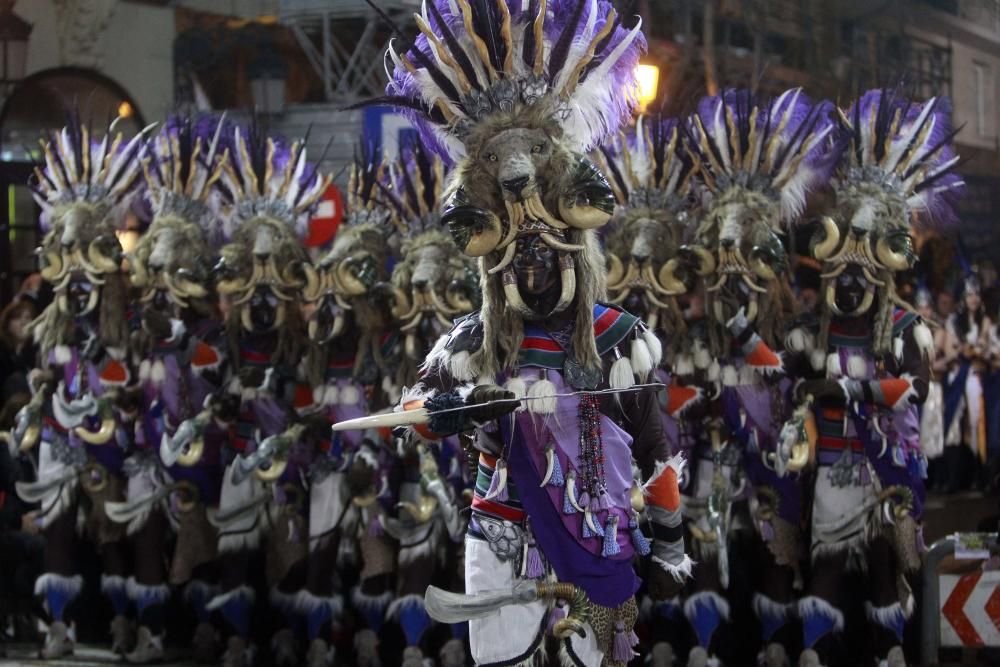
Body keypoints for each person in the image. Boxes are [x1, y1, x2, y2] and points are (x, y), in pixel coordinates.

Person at [353, 2, 691, 665]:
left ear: (575, 247)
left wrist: (671, 541)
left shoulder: (620, 338)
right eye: (519, 250)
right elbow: (416, 415)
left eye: (546, 249)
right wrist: (443, 413)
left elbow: (655, 442)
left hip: (598, 542)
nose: (533, 264)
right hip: (502, 541)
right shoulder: (470, 343)